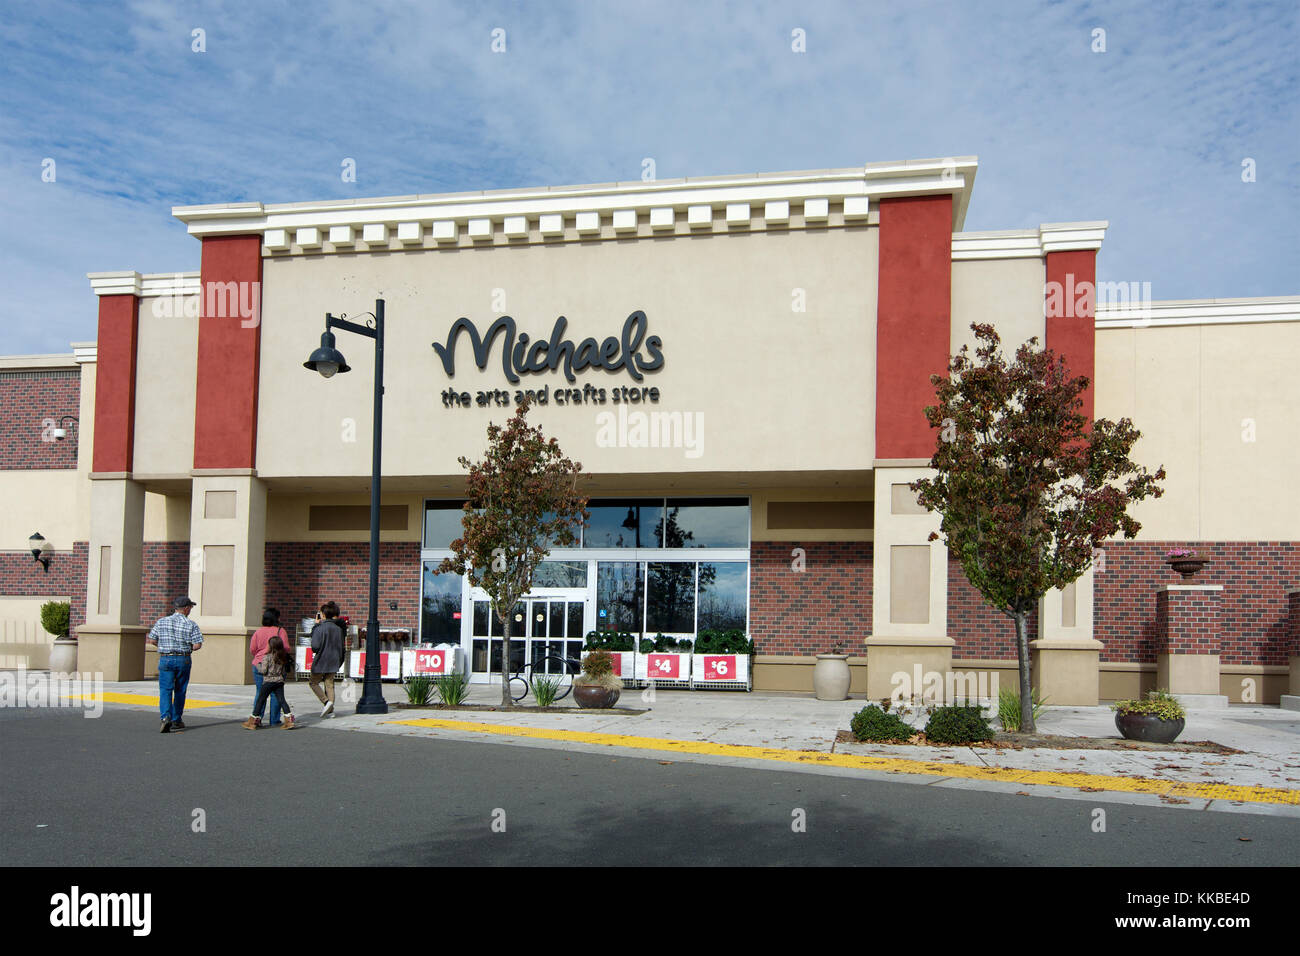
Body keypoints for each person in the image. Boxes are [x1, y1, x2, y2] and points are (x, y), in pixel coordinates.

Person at [146, 596, 204, 733]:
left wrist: (164, 645)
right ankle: (176, 720)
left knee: (165, 689)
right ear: (186, 608)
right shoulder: (191, 624)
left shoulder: (161, 622)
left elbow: (152, 640)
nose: (190, 610)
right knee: (180, 690)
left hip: (165, 658)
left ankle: (165, 717)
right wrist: (187, 647)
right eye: (190, 607)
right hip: (183, 659)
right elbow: (197, 645)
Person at [242, 633, 298, 730]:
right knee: (281, 700)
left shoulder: (267, 657)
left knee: (261, 700)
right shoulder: (283, 657)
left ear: (271, 646)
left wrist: (258, 666)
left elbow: (263, 671)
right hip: (279, 681)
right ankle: (289, 720)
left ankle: (253, 720)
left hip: (268, 681)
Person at [249, 608, 291, 727]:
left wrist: (260, 656)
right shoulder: (280, 631)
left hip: (259, 663)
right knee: (276, 694)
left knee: (260, 692)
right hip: (276, 665)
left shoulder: (258, 632)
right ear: (276, 618)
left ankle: (257, 718)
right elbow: (286, 648)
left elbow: (252, 649)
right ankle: (274, 720)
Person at [308, 601, 346, 717]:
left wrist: (315, 625)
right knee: (329, 683)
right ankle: (330, 710)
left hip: (321, 659)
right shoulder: (338, 629)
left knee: (313, 682)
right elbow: (342, 646)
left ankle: (326, 702)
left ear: (323, 615)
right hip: (334, 659)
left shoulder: (319, 628)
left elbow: (315, 646)